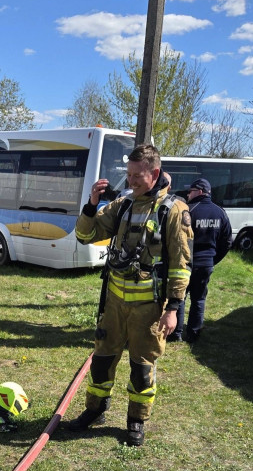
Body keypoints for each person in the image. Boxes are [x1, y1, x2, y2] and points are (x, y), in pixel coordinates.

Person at [66, 144, 193, 447]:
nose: (131, 181)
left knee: (142, 368)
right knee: (101, 361)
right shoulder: (122, 205)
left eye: (138, 175)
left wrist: (173, 308)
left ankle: (136, 420)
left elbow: (181, 264)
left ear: (155, 173)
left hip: (149, 309)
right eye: (129, 174)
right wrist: (91, 205)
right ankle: (94, 411)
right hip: (113, 304)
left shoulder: (173, 210)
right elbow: (85, 235)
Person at [167, 177, 232, 344]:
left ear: (200, 192)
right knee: (199, 298)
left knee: (180, 297)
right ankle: (194, 333)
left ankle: (176, 333)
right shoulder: (220, 212)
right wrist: (212, 259)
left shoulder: (188, 211)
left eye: (191, 191)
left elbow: (177, 238)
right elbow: (227, 241)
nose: (188, 194)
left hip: (187, 264)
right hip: (206, 264)